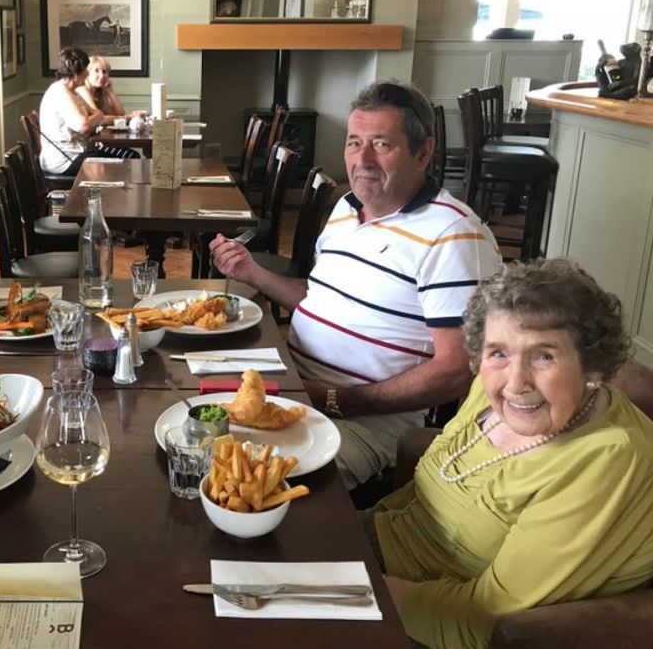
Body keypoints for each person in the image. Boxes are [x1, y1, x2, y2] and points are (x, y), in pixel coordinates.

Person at [211, 80, 502, 490]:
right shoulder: (348, 209)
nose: (362, 160)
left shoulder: (454, 236)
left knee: (241, 482)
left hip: (367, 425)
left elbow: (456, 371)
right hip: (294, 386)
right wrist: (254, 274)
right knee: (189, 434)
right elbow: (323, 300)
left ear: (423, 153)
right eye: (353, 143)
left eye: (381, 144)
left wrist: (335, 401)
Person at [372, 259, 653, 649]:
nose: (516, 383)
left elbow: (484, 618)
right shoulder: (492, 390)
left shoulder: (608, 458)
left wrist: (363, 591)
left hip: (428, 618)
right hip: (378, 543)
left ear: (592, 365)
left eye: (544, 356)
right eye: (498, 353)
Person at [37, 46, 139, 176]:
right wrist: (97, 116)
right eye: (86, 70)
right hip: (64, 160)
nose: (87, 74)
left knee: (125, 163)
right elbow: (84, 126)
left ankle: (112, 195)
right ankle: (103, 195)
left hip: (76, 154)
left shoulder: (71, 92)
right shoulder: (61, 93)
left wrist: (96, 116)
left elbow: (96, 115)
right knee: (120, 167)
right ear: (76, 72)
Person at [76, 55, 145, 125]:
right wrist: (129, 117)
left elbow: (119, 114)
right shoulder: (82, 89)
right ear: (87, 73)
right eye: (96, 71)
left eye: (104, 71)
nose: (102, 75)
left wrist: (111, 92)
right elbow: (99, 120)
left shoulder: (99, 92)